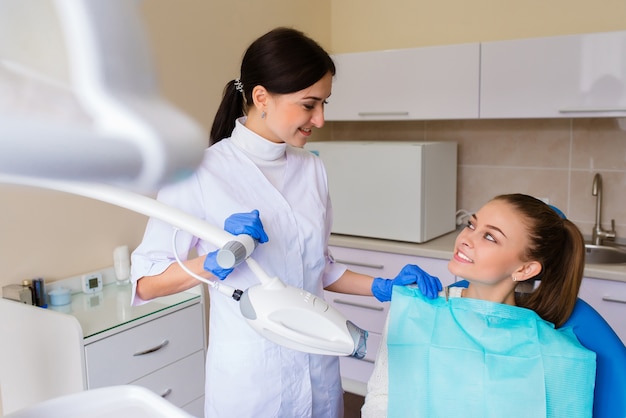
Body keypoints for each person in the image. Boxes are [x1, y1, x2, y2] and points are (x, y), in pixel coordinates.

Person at [130, 27, 441, 418]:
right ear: (261, 97)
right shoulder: (201, 173)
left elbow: (319, 269)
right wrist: (215, 261)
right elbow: (147, 283)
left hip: (318, 366)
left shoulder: (312, 169)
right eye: (309, 104)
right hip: (250, 378)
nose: (321, 119)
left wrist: (383, 287)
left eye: (325, 103)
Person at [362, 194, 597, 418]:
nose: (465, 239)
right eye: (471, 225)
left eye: (490, 237)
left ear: (525, 269)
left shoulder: (557, 354)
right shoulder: (415, 311)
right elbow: (380, 401)